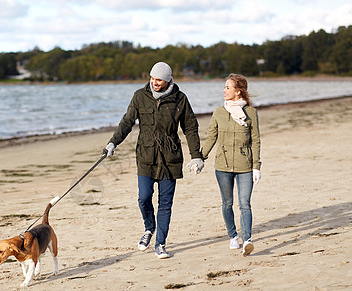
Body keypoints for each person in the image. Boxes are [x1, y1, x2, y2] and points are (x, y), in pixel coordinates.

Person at [103, 62, 204, 259]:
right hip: (146, 157)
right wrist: (112, 143)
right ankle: (149, 228)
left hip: (170, 158)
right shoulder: (140, 96)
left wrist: (196, 156)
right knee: (143, 197)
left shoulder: (180, 99)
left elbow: (190, 128)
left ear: (167, 80)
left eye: (158, 79)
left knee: (165, 203)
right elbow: (127, 122)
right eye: (152, 78)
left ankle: (161, 244)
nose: (154, 82)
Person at [201, 73, 261, 256]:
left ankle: (247, 240)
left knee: (245, 204)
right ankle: (233, 236)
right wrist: (200, 158)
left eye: (227, 87)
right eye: (225, 87)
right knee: (227, 203)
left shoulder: (251, 113)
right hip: (223, 166)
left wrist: (256, 166)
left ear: (238, 91)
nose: (224, 90)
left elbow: (256, 140)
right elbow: (211, 136)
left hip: (245, 165)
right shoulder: (219, 112)